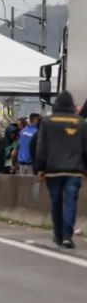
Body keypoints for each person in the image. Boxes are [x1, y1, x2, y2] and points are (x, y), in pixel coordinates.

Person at [35, 91, 87, 249]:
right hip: (74, 170)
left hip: (53, 170)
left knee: (56, 202)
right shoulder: (81, 122)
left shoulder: (47, 121)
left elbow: (41, 147)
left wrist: (40, 168)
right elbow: (85, 148)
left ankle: (58, 234)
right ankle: (67, 235)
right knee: (71, 201)